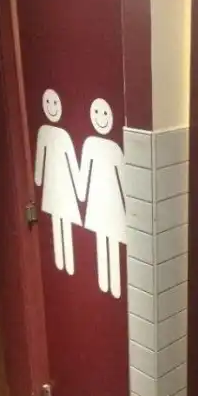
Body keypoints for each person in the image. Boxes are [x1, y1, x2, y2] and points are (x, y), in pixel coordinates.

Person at [76, 98, 126, 298]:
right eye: (97, 112)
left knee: (111, 243)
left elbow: (123, 179)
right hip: (97, 203)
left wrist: (128, 207)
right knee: (100, 241)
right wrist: (81, 193)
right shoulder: (89, 144)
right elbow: (83, 170)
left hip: (113, 207)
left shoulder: (114, 149)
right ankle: (104, 284)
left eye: (104, 113)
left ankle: (113, 286)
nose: (101, 118)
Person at [35, 89, 81, 275]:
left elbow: (72, 162)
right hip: (52, 189)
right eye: (49, 102)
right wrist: (38, 178)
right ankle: (61, 262)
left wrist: (79, 190)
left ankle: (68, 264)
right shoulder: (44, 132)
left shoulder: (64, 136)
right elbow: (40, 159)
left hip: (66, 188)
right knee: (56, 223)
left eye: (55, 103)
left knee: (66, 225)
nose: (52, 107)